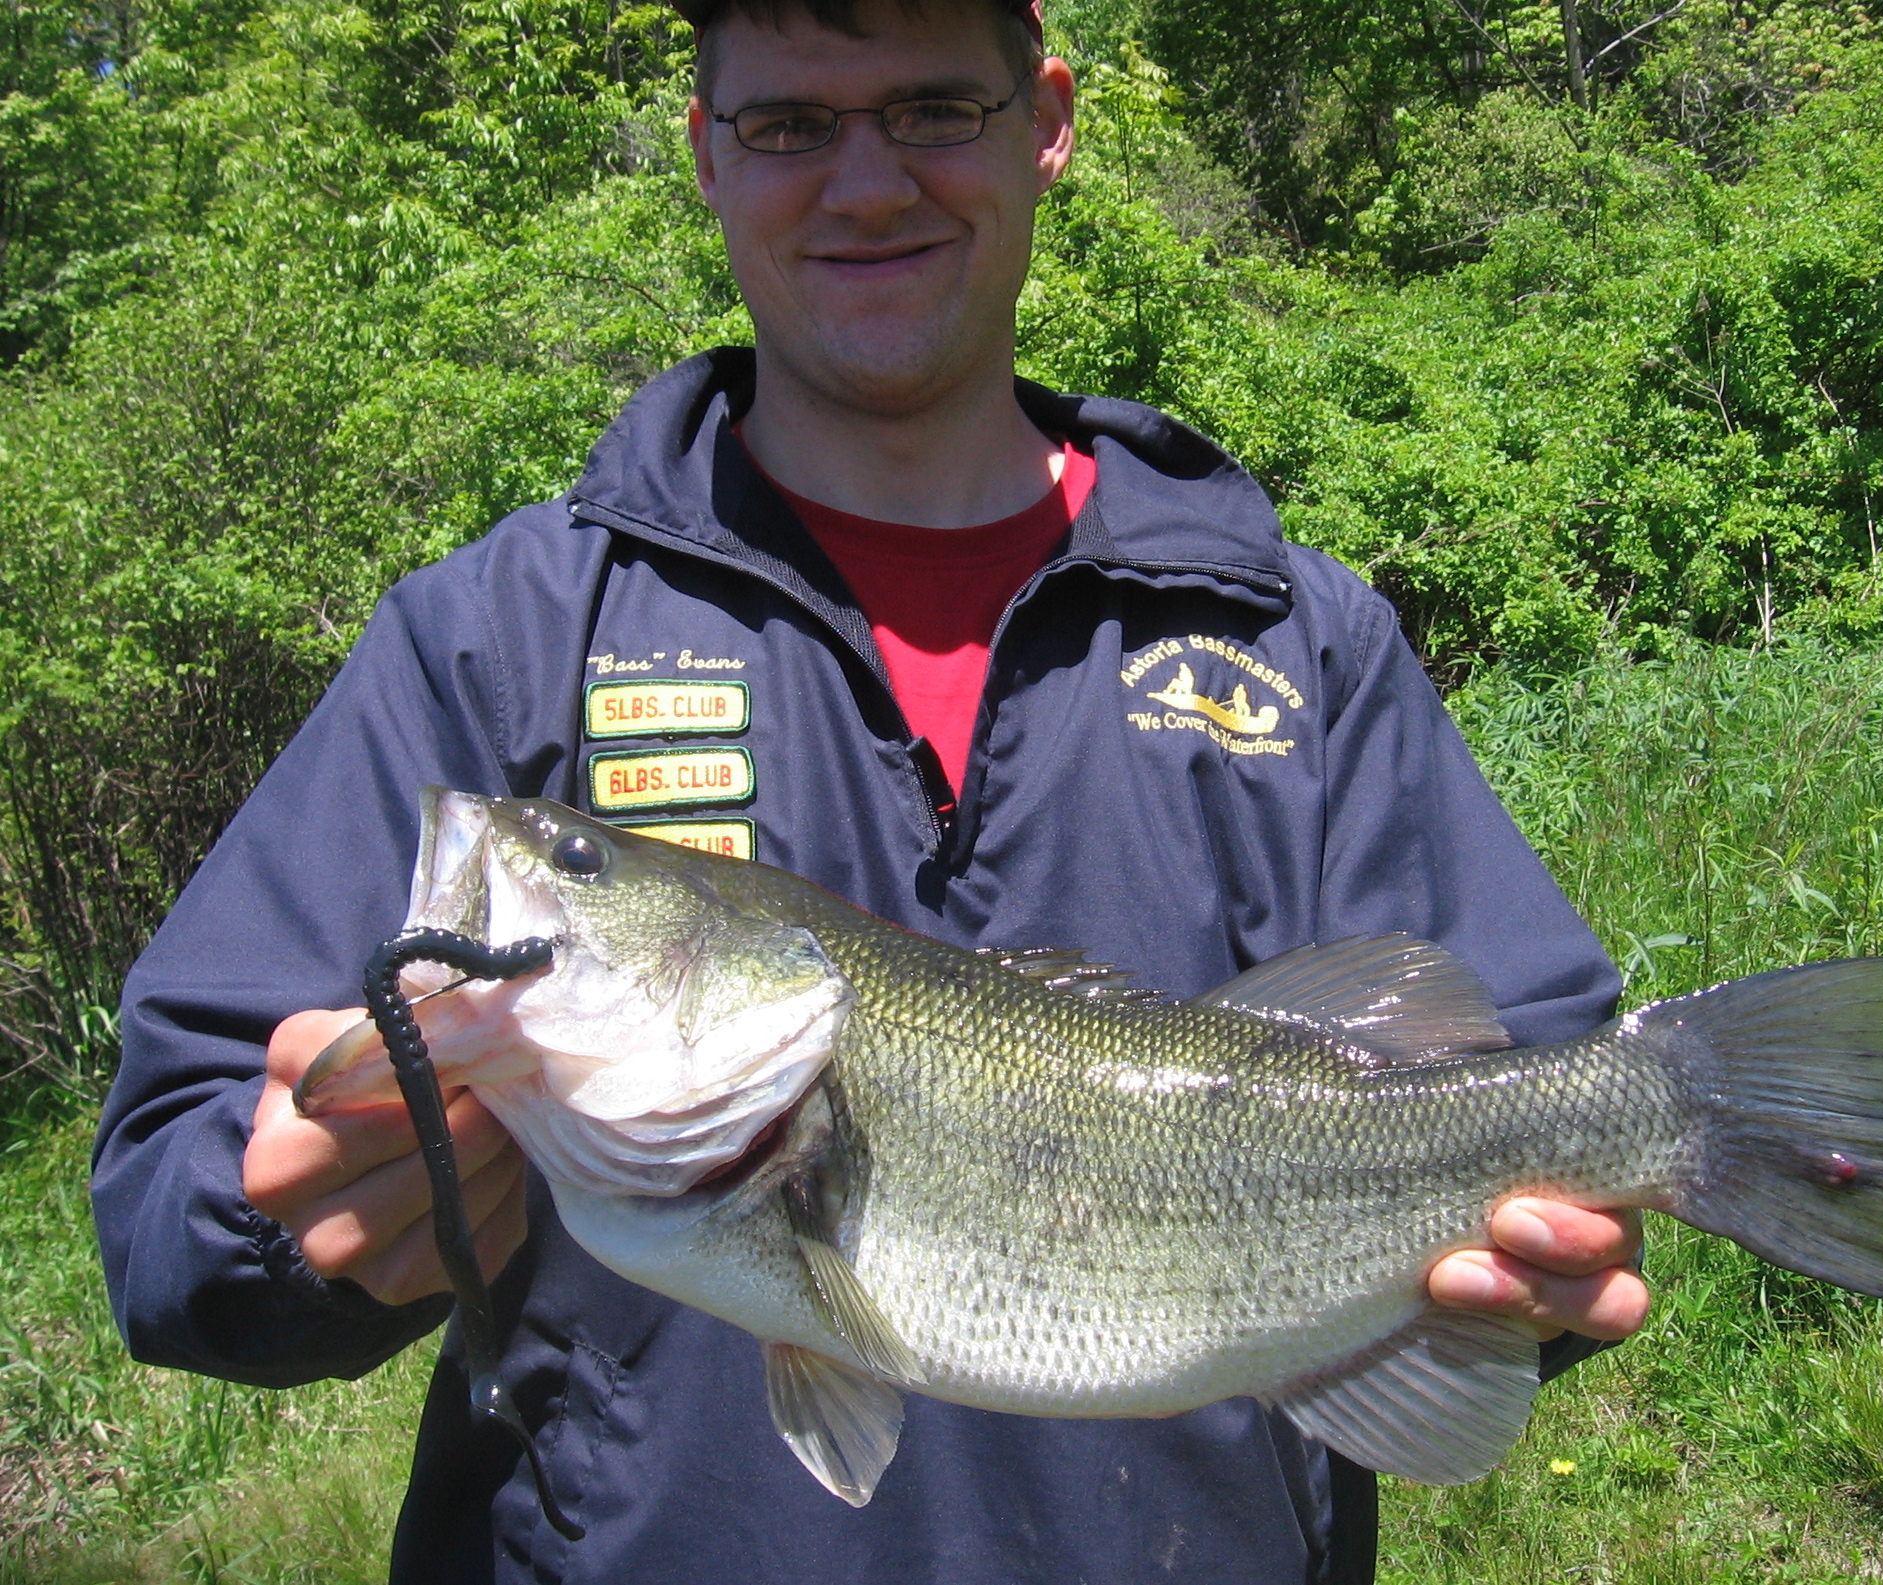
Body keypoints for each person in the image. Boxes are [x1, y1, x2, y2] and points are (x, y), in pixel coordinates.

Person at [91, 0, 1648, 1576]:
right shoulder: (491, 641)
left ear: (1043, 120)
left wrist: (1528, 1276)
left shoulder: (1296, 638)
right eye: (789, 124)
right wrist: (283, 1230)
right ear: (705, 150)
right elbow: (166, 1204)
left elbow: (1534, 1092)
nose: (866, 185)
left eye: (930, 109)